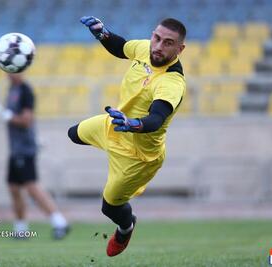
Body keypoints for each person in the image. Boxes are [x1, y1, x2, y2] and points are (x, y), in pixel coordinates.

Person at [68, 16, 186, 256]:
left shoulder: (172, 81)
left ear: (179, 49)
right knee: (73, 134)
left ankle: (126, 226)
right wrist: (102, 34)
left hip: (138, 155)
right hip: (115, 125)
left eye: (168, 43)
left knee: (109, 207)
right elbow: (121, 47)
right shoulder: (145, 48)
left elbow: (156, 119)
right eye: (157, 38)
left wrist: (133, 124)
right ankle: (111, 146)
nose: (158, 46)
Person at [0, 73, 70, 240]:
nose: (10, 73)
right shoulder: (12, 89)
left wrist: (6, 115)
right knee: (13, 188)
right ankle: (20, 229)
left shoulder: (25, 91)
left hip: (24, 148)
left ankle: (59, 222)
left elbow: (26, 121)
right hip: (15, 149)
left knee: (31, 187)